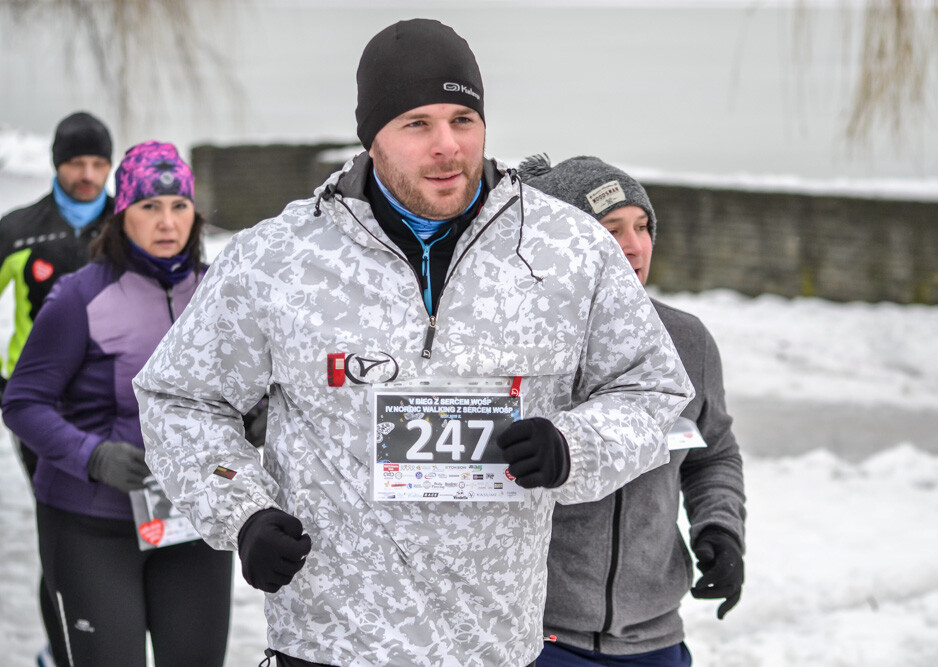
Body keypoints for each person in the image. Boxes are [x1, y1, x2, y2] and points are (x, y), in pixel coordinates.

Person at [133, 18, 695, 667]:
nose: (447, 146)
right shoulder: (276, 260)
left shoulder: (569, 252)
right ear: (372, 137)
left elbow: (653, 389)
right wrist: (244, 511)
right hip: (330, 642)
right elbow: (180, 399)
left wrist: (574, 444)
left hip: (491, 644)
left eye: (463, 118)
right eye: (417, 124)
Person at [2, 141, 233, 667]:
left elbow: (246, 389)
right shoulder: (78, 297)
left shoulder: (217, 291)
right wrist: (92, 456)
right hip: (91, 524)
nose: (167, 221)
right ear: (122, 214)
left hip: (191, 520)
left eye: (179, 206)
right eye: (149, 206)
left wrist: (254, 416)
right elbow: (22, 403)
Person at [519, 155, 747, 667]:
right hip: (537, 636)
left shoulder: (687, 342)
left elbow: (714, 454)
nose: (634, 245)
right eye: (611, 228)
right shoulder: (523, 349)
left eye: (642, 226)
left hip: (655, 638)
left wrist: (720, 529)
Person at [0, 109, 114, 667]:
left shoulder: (131, 220)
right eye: (76, 162)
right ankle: (64, 645)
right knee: (64, 521)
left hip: (116, 400)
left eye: (98, 162)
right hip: (40, 406)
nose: (88, 174)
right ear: (56, 164)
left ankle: (109, 627)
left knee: (114, 520)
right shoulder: (18, 228)